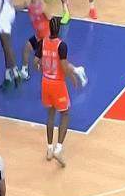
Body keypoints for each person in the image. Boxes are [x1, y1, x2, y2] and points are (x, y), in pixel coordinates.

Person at [35, 17, 87, 167]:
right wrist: (73, 77)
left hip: (45, 83)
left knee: (50, 115)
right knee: (65, 114)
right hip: (57, 84)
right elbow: (64, 66)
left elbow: (35, 62)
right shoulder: (61, 45)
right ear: (58, 29)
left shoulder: (43, 42)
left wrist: (42, 68)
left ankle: (49, 149)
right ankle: (59, 148)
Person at [19, 0, 51, 81]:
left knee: (39, 62)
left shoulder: (42, 5)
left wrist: (51, 38)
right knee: (26, 49)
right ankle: (24, 72)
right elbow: (20, 7)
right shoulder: (30, 3)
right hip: (38, 36)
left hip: (46, 37)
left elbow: (51, 19)